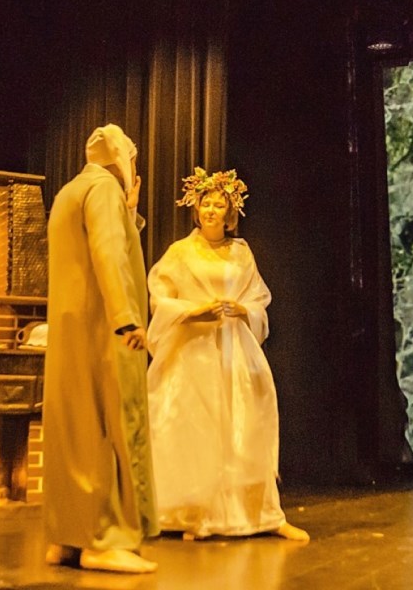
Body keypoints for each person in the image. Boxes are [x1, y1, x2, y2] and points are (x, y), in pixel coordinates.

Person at [146, 167, 309, 541]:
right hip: (193, 351)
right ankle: (195, 513)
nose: (210, 210)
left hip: (234, 350)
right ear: (196, 208)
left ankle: (263, 514)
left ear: (229, 213)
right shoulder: (179, 253)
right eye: (206, 203)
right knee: (196, 428)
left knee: (244, 427)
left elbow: (259, 298)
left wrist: (243, 310)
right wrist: (193, 311)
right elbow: (160, 299)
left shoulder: (241, 253)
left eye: (218, 205)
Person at [43, 124, 159, 573]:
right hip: (103, 329)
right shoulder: (104, 190)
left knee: (74, 430)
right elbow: (109, 253)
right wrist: (126, 318)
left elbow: (101, 241)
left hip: (71, 332)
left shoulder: (70, 192)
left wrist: (130, 210)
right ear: (123, 161)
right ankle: (104, 539)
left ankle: (67, 537)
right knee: (108, 423)